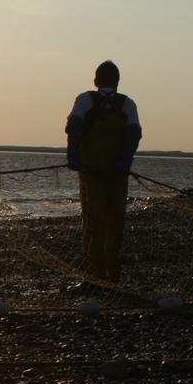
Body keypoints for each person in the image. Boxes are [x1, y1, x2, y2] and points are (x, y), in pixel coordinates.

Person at [65, 60, 142, 287]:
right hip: (118, 176)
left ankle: (94, 275)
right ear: (117, 82)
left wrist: (74, 158)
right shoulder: (128, 104)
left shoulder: (85, 100)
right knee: (115, 223)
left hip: (91, 173)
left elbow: (73, 128)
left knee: (92, 223)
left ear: (96, 81)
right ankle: (112, 275)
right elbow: (134, 134)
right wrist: (124, 162)